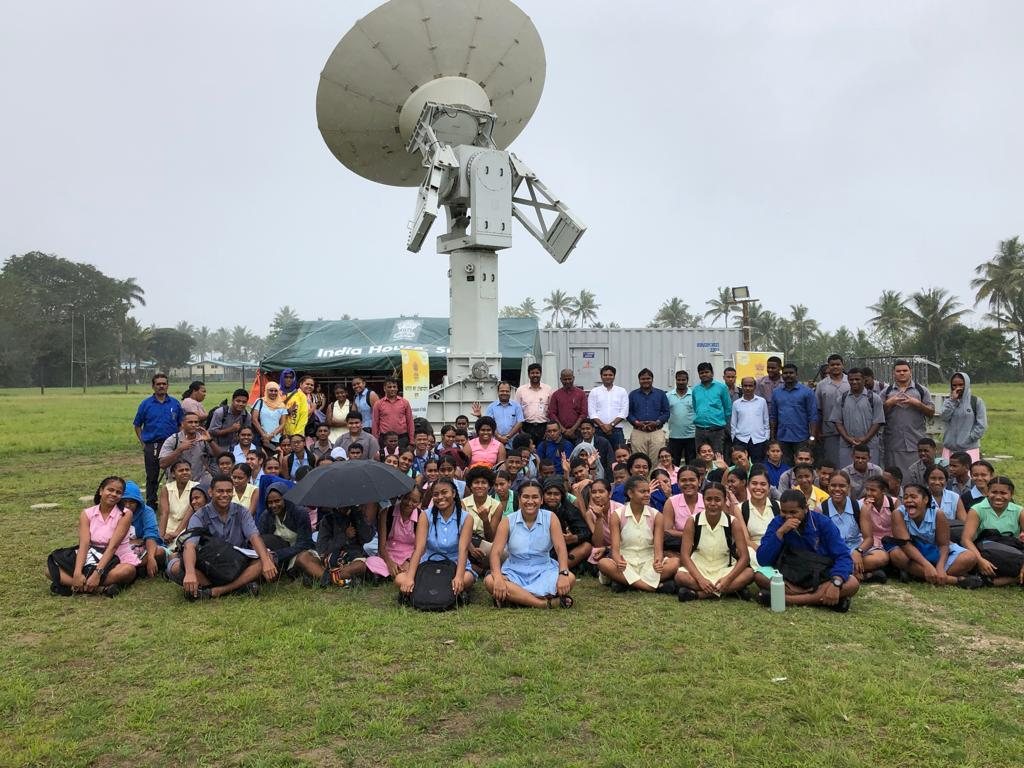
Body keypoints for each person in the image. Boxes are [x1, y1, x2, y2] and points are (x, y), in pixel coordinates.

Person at [168, 474, 277, 600]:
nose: (225, 495)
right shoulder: (199, 516)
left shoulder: (242, 512)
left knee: (268, 558)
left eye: (229, 491)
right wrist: (191, 573)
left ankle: (217, 591)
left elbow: (254, 537)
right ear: (210, 492)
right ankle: (240, 587)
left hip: (237, 562)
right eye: (220, 491)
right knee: (175, 567)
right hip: (210, 564)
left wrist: (266, 561)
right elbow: (190, 546)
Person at [754, 489, 860, 611]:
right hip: (789, 574)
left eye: (793, 512)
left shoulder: (823, 522)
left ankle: (787, 600)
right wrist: (780, 533)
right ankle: (820, 599)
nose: (788, 516)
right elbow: (763, 559)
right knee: (760, 576)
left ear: (806, 508)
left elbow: (843, 556)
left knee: (852, 583)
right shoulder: (777, 523)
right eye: (784, 512)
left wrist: (836, 583)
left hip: (820, 575)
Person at [485, 480, 576, 608]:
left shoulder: (551, 518)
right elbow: (495, 552)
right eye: (526, 497)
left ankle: (516, 598)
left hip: (544, 570)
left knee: (570, 578)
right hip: (514, 571)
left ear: (541, 500)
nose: (530, 501)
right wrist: (499, 578)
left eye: (535, 497)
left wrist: (563, 573)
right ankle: (542, 603)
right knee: (490, 581)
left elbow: (560, 549)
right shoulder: (508, 521)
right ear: (519, 499)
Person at [47, 476, 140, 597]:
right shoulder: (87, 513)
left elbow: (113, 547)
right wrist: (77, 573)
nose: (114, 494)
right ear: (101, 491)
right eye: (110, 490)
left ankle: (78, 586)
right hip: (91, 556)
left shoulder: (125, 514)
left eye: (118, 492)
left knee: (128, 571)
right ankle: (99, 589)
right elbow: (84, 544)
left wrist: (97, 573)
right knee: (49, 571)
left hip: (116, 557)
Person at [396, 478, 476, 599]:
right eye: (436, 494)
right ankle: (446, 591)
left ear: (454, 493)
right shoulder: (425, 515)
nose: (440, 497)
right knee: (400, 579)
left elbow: (463, 549)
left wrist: (459, 576)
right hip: (429, 564)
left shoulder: (466, 518)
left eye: (444, 492)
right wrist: (410, 578)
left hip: (454, 564)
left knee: (467, 579)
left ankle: (427, 589)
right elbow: (419, 549)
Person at [888, 483, 980, 587]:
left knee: (970, 557)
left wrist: (940, 567)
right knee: (896, 555)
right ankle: (955, 580)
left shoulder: (938, 514)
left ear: (925, 500)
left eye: (913, 497)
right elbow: (905, 545)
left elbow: (944, 545)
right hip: (912, 552)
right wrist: (926, 565)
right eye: (905, 497)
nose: (909, 500)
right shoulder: (898, 513)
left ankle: (919, 574)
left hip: (936, 551)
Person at [597, 476, 676, 593]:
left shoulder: (657, 515)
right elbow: (615, 549)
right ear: (630, 493)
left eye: (648, 491)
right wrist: (618, 561)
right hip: (626, 562)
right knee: (603, 563)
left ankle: (627, 583)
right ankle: (650, 587)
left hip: (648, 561)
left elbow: (658, 548)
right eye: (642, 492)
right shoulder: (617, 515)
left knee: (675, 563)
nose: (647, 495)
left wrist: (658, 562)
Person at [675, 482, 754, 600]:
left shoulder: (733, 522)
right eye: (708, 499)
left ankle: (698, 595)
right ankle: (730, 591)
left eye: (717, 500)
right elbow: (685, 556)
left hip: (725, 568)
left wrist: (728, 579)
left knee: (749, 573)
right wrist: (700, 579)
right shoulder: (693, 521)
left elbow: (745, 557)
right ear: (703, 500)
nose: (712, 504)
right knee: (680, 576)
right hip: (699, 567)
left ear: (725, 500)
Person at [822, 471, 889, 583]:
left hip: (855, 549)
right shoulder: (821, 509)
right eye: (833, 485)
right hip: (833, 553)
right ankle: (863, 575)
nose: (837, 489)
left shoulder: (859, 507)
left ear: (849, 487)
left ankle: (843, 572)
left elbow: (869, 539)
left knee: (882, 557)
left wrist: (858, 551)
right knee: (823, 561)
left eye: (842, 486)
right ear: (828, 487)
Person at [960, 476, 1024, 586]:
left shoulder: (1019, 511)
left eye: (1003, 493)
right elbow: (966, 540)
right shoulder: (977, 510)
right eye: (994, 492)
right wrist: (980, 561)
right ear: (987, 492)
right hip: (985, 554)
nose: (998, 497)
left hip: (1012, 554)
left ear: (1011, 494)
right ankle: (1012, 578)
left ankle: (995, 580)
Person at [133, 372, 183, 508]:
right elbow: (137, 425)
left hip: (172, 444)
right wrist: (143, 443)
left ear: (168, 386)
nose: (161, 386)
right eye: (158, 384)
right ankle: (151, 502)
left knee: (174, 473)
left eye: (164, 384)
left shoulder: (175, 403)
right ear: (153, 386)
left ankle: (175, 500)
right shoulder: (146, 404)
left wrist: (179, 441)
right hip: (152, 444)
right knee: (152, 475)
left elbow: (181, 423)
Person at [882, 359, 934, 479]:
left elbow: (931, 412)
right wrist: (889, 403)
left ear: (911, 372)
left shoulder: (921, 391)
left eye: (905, 370)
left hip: (916, 442)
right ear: (893, 373)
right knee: (895, 477)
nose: (902, 373)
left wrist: (917, 404)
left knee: (916, 476)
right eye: (898, 371)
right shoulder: (887, 392)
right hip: (893, 443)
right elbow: (877, 416)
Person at [258, 482, 321, 580]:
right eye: (270, 502)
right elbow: (262, 541)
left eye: (277, 501)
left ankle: (328, 579)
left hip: (300, 551)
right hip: (278, 556)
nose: (273, 505)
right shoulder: (265, 516)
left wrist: (277, 555)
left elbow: (304, 544)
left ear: (286, 499)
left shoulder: (300, 513)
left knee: (303, 559)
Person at [830, 368, 885, 468]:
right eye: (851, 379)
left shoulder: (874, 398)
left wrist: (865, 438)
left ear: (863, 380)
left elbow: (877, 422)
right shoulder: (841, 399)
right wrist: (848, 438)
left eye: (857, 379)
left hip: (869, 445)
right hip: (847, 446)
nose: (854, 382)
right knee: (846, 473)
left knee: (871, 473)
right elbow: (837, 422)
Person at [365, 488, 422, 580]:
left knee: (421, 564)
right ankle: (397, 574)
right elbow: (381, 547)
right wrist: (389, 563)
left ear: (419, 502)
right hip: (389, 556)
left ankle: (386, 576)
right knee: (371, 561)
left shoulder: (422, 516)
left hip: (410, 558)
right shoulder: (386, 513)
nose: (409, 503)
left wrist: (409, 561)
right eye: (406, 498)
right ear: (401, 496)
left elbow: (421, 547)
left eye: (414, 501)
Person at [158, 411, 223, 487]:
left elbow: (221, 457)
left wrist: (210, 440)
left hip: (200, 481)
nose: (193, 425)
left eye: (196, 422)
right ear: (182, 424)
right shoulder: (173, 440)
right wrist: (179, 449)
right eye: (190, 422)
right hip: (178, 483)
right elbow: (162, 464)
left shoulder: (203, 438)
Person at [769, 364, 818, 465]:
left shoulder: (807, 392)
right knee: (784, 466)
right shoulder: (776, 392)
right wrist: (772, 437)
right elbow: (773, 416)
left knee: (802, 466)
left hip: (802, 438)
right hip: (782, 437)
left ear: (796, 374)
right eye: (785, 373)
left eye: (791, 373)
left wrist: (812, 437)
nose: (788, 375)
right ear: (782, 375)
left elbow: (813, 416)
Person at [540, 477, 593, 569]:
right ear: (543, 495)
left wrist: (574, 538)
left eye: (556, 494)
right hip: (541, 549)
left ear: (562, 495)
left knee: (586, 547)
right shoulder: (537, 508)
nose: (552, 497)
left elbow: (586, 532)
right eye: (549, 494)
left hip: (564, 549)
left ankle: (557, 569)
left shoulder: (569, 509)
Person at [120, 480, 165, 579]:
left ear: (138, 502)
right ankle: (135, 569)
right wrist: (132, 542)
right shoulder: (116, 512)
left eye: (131, 502)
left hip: (145, 548)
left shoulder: (147, 512)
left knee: (159, 552)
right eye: (124, 501)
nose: (127, 505)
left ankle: (131, 569)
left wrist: (151, 557)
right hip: (122, 549)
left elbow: (151, 535)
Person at [939, 371, 987, 462]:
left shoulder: (976, 401)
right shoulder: (948, 402)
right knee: (948, 470)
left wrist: (970, 438)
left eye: (961, 385)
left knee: (969, 470)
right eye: (954, 385)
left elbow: (982, 425)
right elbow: (944, 417)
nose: (958, 388)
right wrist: (953, 401)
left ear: (967, 385)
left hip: (969, 449)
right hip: (949, 448)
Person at [740, 468, 780, 571]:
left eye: (763, 484)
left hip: (775, 547)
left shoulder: (778, 506)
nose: (758, 487)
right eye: (754, 483)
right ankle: (768, 574)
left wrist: (769, 551)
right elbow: (746, 540)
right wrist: (763, 552)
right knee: (747, 551)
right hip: (754, 550)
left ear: (769, 487)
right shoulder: (740, 508)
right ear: (748, 486)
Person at [626, 368, 670, 459]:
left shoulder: (660, 394)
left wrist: (657, 422)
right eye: (643, 379)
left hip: (656, 432)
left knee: (657, 459)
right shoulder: (633, 395)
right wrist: (636, 422)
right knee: (639, 460)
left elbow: (666, 412)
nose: (645, 381)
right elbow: (628, 413)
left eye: (648, 378)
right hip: (638, 432)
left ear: (652, 379)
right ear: (639, 380)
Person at [815, 354, 849, 467]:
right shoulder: (821, 385)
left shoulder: (850, 382)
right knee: (832, 461)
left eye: (838, 364)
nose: (835, 367)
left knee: (848, 460)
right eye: (832, 365)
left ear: (843, 365)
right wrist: (818, 430)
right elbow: (818, 409)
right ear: (828, 366)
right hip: (829, 430)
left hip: (849, 430)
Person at [691, 362, 732, 455]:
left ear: (712, 373)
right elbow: (695, 407)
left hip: (717, 430)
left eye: (706, 372)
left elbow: (728, 409)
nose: (704, 374)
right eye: (701, 373)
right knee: (701, 457)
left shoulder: (721, 387)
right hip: (700, 430)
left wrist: (722, 424)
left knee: (717, 457)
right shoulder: (696, 390)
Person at [588, 364, 629, 450]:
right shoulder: (594, 392)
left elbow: (624, 412)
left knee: (619, 454)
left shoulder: (622, 391)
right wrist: (603, 426)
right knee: (599, 455)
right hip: (599, 430)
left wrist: (611, 425)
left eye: (610, 375)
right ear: (601, 376)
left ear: (614, 376)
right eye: (605, 375)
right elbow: (592, 413)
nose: (608, 377)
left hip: (617, 430)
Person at [158, 459, 199, 543]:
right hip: (168, 527)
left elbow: (190, 511)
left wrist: (177, 533)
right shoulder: (166, 488)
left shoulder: (196, 487)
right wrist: (161, 536)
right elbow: (164, 513)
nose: (185, 472)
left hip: (188, 527)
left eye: (187, 470)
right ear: (173, 474)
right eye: (181, 470)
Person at [730, 376, 770, 462]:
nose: (748, 388)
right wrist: (734, 438)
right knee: (740, 465)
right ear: (742, 387)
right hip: (741, 439)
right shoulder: (736, 403)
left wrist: (766, 437)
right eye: (745, 386)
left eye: (750, 386)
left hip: (759, 440)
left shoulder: (762, 401)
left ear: (755, 387)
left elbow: (766, 421)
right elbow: (733, 423)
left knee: (758, 466)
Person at [474, 381, 524, 445]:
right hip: (496, 443)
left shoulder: (516, 406)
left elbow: (520, 423)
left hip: (513, 442)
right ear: (498, 392)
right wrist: (499, 437)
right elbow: (488, 423)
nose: (504, 393)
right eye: (502, 391)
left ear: (510, 392)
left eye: (507, 391)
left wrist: (508, 437)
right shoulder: (491, 407)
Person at [515, 363, 553, 446]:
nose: (535, 375)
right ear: (528, 374)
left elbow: (551, 410)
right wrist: (520, 430)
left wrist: (548, 429)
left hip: (544, 427)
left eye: (537, 373)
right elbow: (517, 411)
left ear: (541, 374)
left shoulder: (548, 389)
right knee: (527, 450)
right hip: (526, 427)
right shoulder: (520, 390)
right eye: (532, 373)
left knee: (543, 450)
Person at [667, 369, 697, 467]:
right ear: (675, 380)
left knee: (691, 464)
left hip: (691, 436)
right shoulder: (668, 396)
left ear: (687, 380)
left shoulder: (694, 395)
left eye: (683, 380)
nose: (681, 382)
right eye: (678, 380)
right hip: (674, 436)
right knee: (673, 464)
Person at [548, 369, 588, 442]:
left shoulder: (581, 394)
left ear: (573, 378)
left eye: (570, 379)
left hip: (578, 432)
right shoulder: (556, 395)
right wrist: (562, 429)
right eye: (565, 379)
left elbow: (584, 413)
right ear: (561, 379)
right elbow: (552, 413)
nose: (567, 381)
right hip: (561, 433)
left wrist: (573, 429)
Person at [372, 377, 414, 446]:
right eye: (389, 387)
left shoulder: (405, 402)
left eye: (394, 387)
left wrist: (412, 440)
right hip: (385, 439)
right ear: (384, 388)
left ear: (397, 388)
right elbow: (375, 423)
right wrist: (375, 441)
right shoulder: (378, 404)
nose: (392, 389)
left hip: (402, 438)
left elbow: (410, 422)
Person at [251, 382, 289, 451]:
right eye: (271, 390)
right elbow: (254, 419)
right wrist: (263, 435)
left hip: (275, 439)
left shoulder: (282, 405)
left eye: (275, 391)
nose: (273, 393)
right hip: (260, 438)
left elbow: (282, 423)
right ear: (266, 391)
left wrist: (272, 435)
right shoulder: (260, 402)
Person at [862, 475, 897, 549]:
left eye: (873, 490)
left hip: (892, 541)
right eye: (867, 489)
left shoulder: (894, 503)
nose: (868, 493)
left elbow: (899, 528)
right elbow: (866, 535)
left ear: (883, 491)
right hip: (872, 543)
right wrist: (865, 511)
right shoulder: (861, 504)